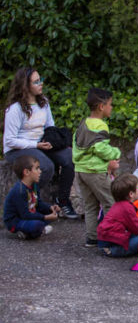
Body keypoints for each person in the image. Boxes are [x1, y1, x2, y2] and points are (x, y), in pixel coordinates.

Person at [3, 67, 77, 219]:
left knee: (69, 157)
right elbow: (10, 140)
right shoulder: (15, 109)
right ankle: (31, 201)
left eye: (40, 80)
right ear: (25, 85)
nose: (41, 84)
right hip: (17, 149)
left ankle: (62, 200)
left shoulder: (44, 103)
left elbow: (50, 125)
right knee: (46, 166)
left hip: (40, 144)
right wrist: (36, 145)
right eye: (36, 81)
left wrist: (50, 140)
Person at [72, 88, 121, 247]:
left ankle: (92, 238)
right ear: (101, 106)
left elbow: (77, 144)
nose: (111, 108)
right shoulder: (100, 126)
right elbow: (101, 148)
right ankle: (109, 238)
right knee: (110, 202)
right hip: (95, 172)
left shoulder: (83, 123)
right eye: (110, 104)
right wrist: (115, 152)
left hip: (81, 170)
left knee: (90, 204)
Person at [3, 155, 60, 239]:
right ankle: (32, 231)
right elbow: (25, 214)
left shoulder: (34, 185)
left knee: (54, 212)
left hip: (29, 214)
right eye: (37, 168)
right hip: (16, 221)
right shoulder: (19, 191)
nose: (40, 171)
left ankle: (33, 231)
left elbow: (38, 203)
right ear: (26, 172)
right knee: (37, 225)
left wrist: (50, 208)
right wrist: (45, 217)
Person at [97, 174, 138, 257]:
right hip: (111, 248)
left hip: (106, 243)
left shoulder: (119, 205)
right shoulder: (127, 208)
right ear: (131, 194)